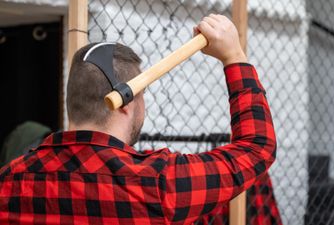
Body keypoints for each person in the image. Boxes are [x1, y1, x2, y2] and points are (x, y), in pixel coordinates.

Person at [0, 14, 277, 224]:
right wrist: (234, 56)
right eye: (141, 94)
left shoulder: (10, 181)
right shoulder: (157, 183)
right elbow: (256, 148)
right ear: (124, 103)